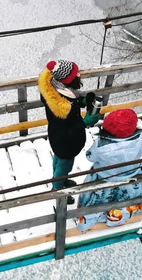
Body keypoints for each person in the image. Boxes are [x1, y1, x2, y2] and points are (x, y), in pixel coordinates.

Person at [77, 108, 142, 232]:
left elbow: (90, 156)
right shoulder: (138, 140)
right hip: (132, 175)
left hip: (105, 178)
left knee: (99, 196)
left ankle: (95, 215)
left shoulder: (101, 144)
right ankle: (124, 211)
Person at [38, 60, 101, 205]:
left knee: (58, 159)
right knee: (65, 165)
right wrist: (85, 122)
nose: (80, 75)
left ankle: (60, 179)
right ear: (69, 80)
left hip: (57, 138)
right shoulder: (61, 108)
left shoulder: (56, 91)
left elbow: (71, 99)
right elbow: (66, 129)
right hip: (65, 141)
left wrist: (83, 100)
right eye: (77, 74)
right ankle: (58, 190)